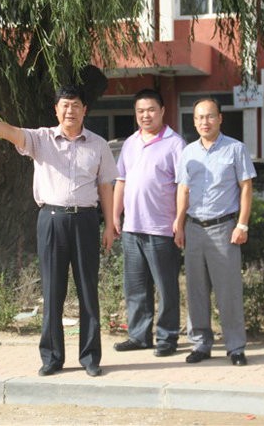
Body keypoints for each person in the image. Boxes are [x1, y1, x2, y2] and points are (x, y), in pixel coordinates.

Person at [0, 85, 117, 378]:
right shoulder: (41, 139)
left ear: (85, 110)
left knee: (88, 291)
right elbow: (11, 132)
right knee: (52, 291)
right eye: (65, 105)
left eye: (76, 105)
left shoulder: (98, 145)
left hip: (85, 221)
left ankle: (90, 357)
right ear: (56, 110)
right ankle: (52, 357)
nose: (70, 111)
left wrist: (110, 225)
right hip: (51, 220)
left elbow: (106, 186)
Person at [173, 97, 256, 366]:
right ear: (194, 121)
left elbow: (246, 187)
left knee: (228, 291)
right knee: (195, 290)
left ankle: (235, 347)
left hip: (224, 229)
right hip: (194, 228)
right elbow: (183, 189)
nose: (204, 122)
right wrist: (179, 223)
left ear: (220, 118)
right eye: (199, 117)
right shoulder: (188, 152)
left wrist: (242, 224)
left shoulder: (235, 149)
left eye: (209, 116)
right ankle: (200, 344)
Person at [112, 89, 185, 357]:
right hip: (132, 228)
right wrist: (115, 215)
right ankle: (139, 336)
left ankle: (167, 337)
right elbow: (121, 181)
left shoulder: (175, 144)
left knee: (166, 288)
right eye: (140, 111)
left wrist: (180, 220)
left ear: (162, 111)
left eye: (151, 110)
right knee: (135, 287)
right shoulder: (130, 143)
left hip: (162, 229)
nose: (146, 115)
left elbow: (183, 186)